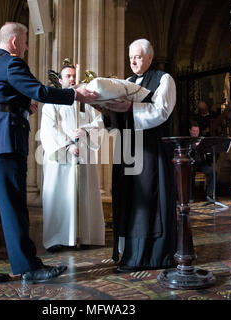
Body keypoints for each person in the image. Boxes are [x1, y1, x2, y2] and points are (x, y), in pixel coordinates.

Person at [0, 22, 98, 287]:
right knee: (13, 205)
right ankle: (28, 267)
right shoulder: (12, 63)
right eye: (24, 42)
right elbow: (41, 90)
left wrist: (22, 105)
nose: (25, 47)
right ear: (14, 42)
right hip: (4, 142)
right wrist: (74, 94)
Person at [96, 39, 177, 272]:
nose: (133, 61)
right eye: (130, 56)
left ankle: (152, 255)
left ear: (150, 58)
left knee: (149, 200)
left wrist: (130, 108)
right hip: (127, 149)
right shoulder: (126, 83)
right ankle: (129, 253)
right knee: (128, 198)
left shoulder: (164, 79)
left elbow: (161, 111)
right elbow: (115, 122)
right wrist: (105, 111)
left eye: (138, 57)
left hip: (151, 150)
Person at [40, 65, 105, 253]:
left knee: (85, 193)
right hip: (61, 158)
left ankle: (86, 235)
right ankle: (58, 238)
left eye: (74, 76)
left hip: (84, 155)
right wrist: (68, 146)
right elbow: (49, 129)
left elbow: (99, 122)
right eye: (68, 76)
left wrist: (86, 131)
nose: (72, 79)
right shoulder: (52, 102)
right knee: (61, 196)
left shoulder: (85, 102)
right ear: (60, 80)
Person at [188, 122, 214, 203]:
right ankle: (190, 196)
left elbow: (208, 151)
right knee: (190, 173)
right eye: (194, 131)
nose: (195, 133)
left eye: (197, 131)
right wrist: (195, 145)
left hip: (201, 163)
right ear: (190, 131)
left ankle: (209, 195)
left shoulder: (202, 139)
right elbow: (188, 150)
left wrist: (208, 151)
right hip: (191, 163)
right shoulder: (187, 140)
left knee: (211, 171)